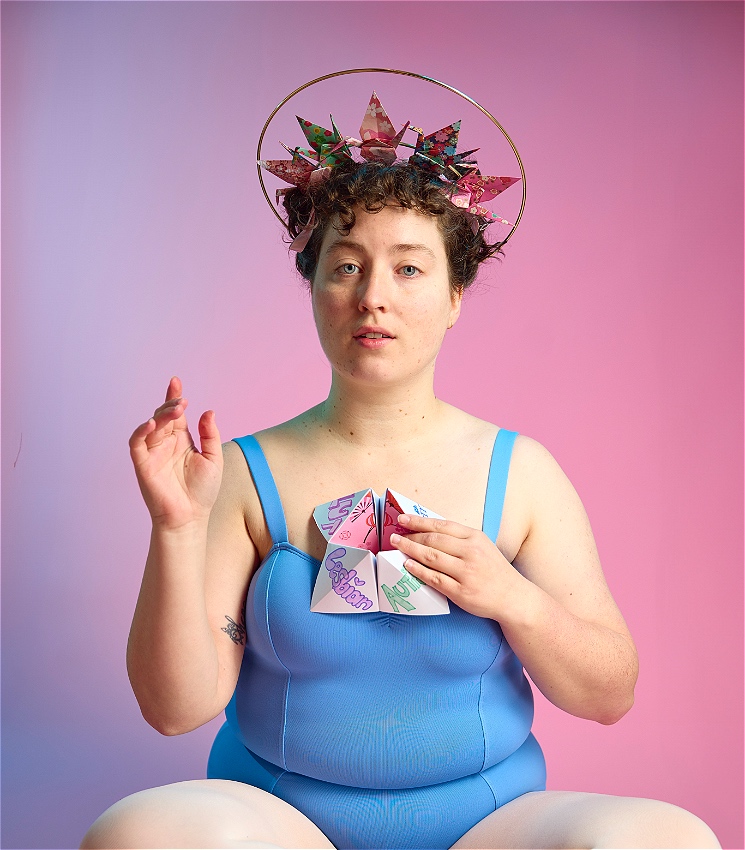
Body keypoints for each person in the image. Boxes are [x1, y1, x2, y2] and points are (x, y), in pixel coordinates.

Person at [81, 94, 721, 850]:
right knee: (137, 835)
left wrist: (509, 597)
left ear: (454, 297)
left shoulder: (520, 474)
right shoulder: (242, 473)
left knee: (664, 839)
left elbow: (610, 695)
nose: (372, 296)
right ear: (314, 288)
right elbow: (173, 709)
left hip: (488, 824)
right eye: (345, 266)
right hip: (281, 824)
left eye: (409, 268)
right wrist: (177, 530)